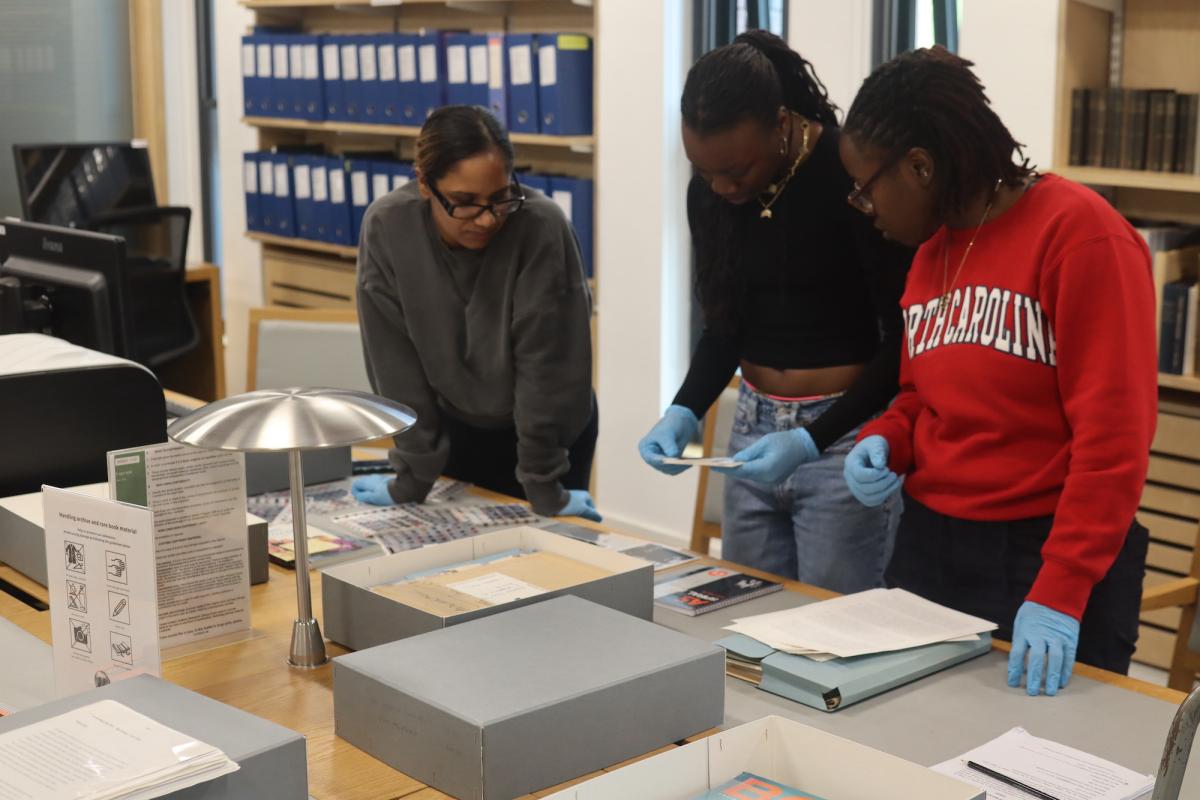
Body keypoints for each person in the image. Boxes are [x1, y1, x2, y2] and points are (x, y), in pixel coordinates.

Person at [838, 47, 1156, 696]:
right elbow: (920, 395)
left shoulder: (1083, 235)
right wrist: (888, 439)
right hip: (930, 547)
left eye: (865, 188)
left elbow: (1114, 442)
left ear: (920, 167)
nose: (863, 208)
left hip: (1041, 555)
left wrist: (1063, 589)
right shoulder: (931, 252)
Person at [637, 30, 913, 591]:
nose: (721, 186)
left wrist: (816, 438)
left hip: (845, 440)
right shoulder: (711, 194)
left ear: (782, 124)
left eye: (737, 170)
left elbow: (903, 339)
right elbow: (724, 328)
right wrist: (684, 409)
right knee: (747, 624)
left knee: (837, 636)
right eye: (703, 169)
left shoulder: (850, 179)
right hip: (752, 434)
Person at [351, 105, 600, 522]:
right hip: (455, 428)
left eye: (500, 197)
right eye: (465, 203)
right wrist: (411, 477)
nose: (487, 219)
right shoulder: (388, 227)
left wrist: (545, 488)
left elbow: (547, 372)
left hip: (548, 436)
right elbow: (395, 367)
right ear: (424, 182)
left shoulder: (541, 228)